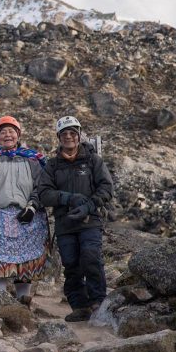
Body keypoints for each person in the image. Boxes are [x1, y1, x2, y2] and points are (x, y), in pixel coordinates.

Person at [37, 116, 114, 322]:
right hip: (65, 223)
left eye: (73, 133)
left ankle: (98, 301)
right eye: (64, 134)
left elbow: (106, 188)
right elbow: (44, 193)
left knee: (91, 257)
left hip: (90, 221)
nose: (69, 137)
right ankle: (80, 306)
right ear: (59, 137)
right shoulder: (52, 165)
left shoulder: (93, 161)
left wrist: (88, 206)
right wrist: (68, 198)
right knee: (71, 264)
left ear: (79, 136)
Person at [0, 115, 50, 306]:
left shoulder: (32, 159)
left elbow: (41, 186)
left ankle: (23, 300)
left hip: (25, 215)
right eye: (3, 132)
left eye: (11, 131)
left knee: (25, 263)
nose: (7, 135)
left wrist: (33, 207)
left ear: (18, 134)